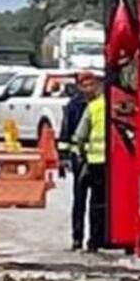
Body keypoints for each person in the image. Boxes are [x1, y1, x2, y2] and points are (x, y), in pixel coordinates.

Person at [71, 72, 107, 252]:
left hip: (93, 162)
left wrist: (81, 154)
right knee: (102, 203)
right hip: (113, 164)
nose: (88, 89)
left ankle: (91, 242)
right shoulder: (120, 105)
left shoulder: (93, 107)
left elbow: (79, 136)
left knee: (93, 203)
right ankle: (99, 239)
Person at [59, 73, 91, 250]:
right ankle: (77, 237)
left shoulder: (100, 104)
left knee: (98, 202)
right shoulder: (73, 106)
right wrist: (63, 159)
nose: (87, 89)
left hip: (98, 160)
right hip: (79, 159)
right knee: (79, 200)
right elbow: (65, 132)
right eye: (84, 85)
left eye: (90, 85)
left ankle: (96, 239)